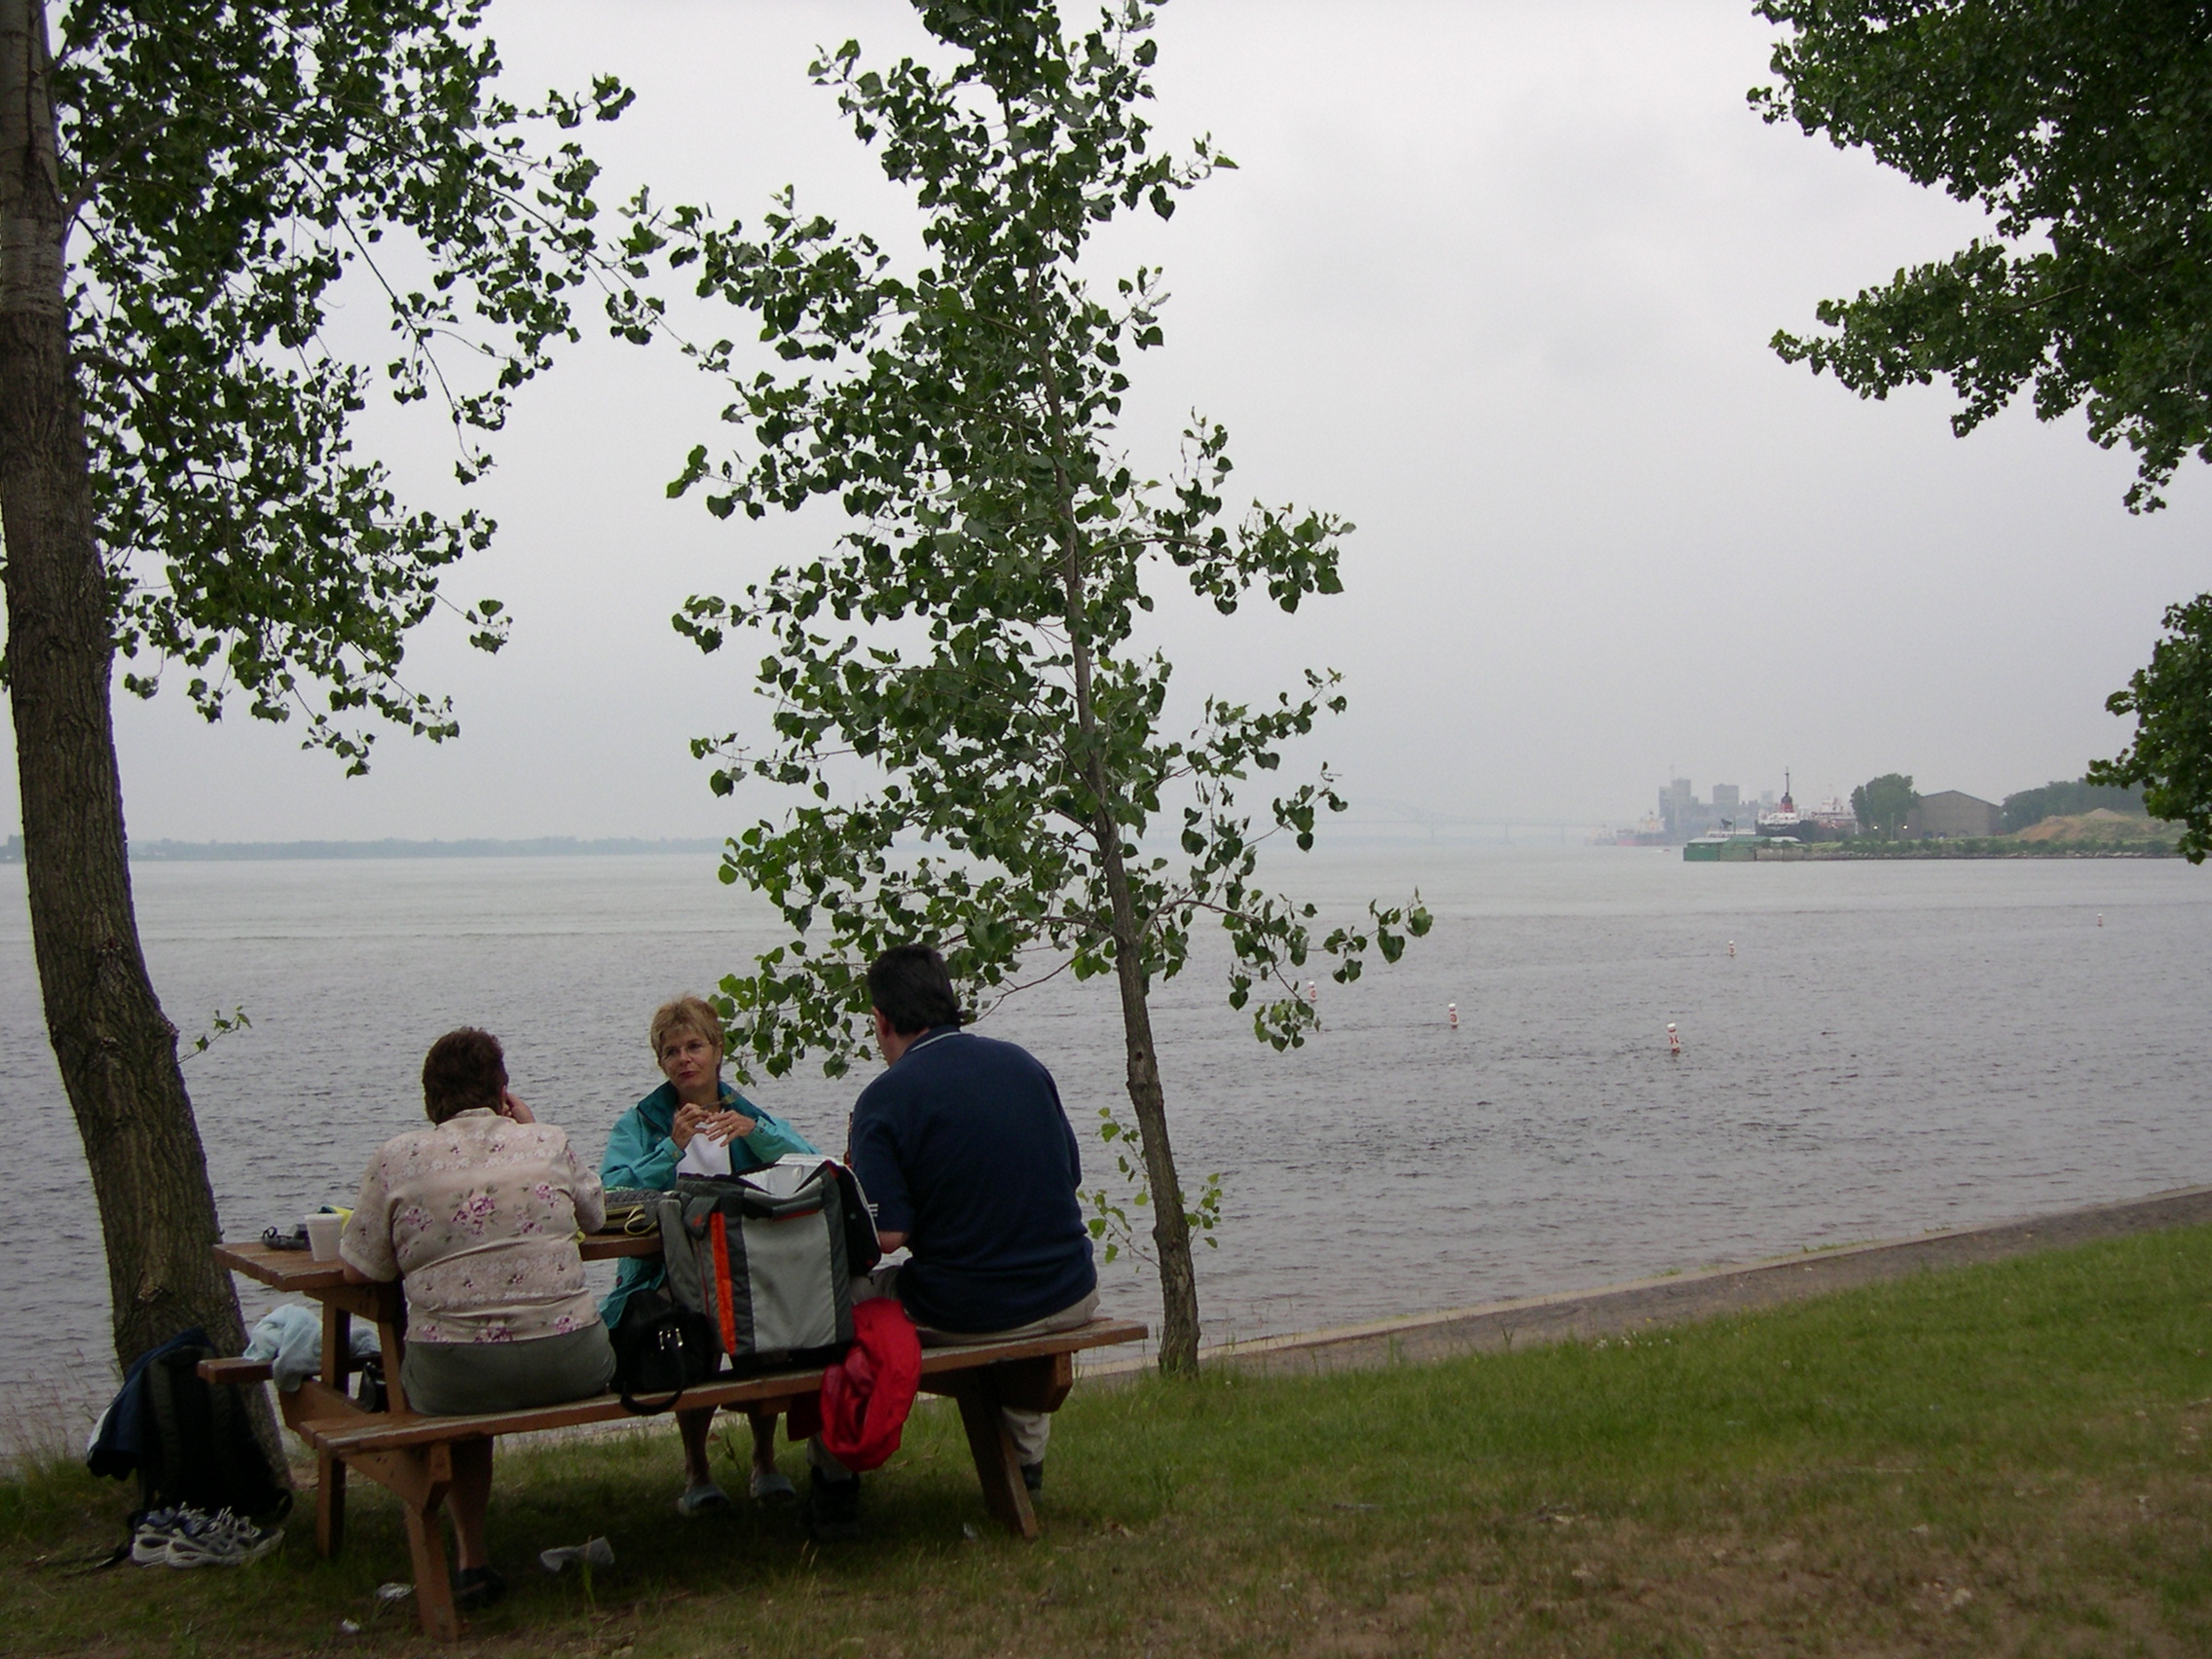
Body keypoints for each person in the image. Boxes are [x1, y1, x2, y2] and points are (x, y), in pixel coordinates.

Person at [811, 944, 1097, 1539]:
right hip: (1070, 1290)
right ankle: (1027, 1469)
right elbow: (1068, 1175)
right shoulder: (1023, 1065)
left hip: (970, 1308)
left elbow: (887, 1236)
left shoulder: (885, 1097)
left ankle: (834, 1484)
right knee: (1000, 1275)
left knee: (830, 1304)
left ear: (881, 1020)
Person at [339, 1028, 613, 1612]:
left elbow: (361, 1269)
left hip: (454, 1379)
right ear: (502, 1090)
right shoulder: (548, 1140)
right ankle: (470, 1558)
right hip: (574, 1362)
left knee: (456, 1376)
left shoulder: (396, 1158)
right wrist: (531, 1127)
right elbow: (595, 1215)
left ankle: (472, 1561)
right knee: (482, 1365)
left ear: (430, 1098)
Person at [600, 994, 819, 1514]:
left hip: (741, 1264)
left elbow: (812, 1165)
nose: (684, 1059)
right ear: (661, 1062)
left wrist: (757, 1135)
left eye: (694, 1046)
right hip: (662, 1272)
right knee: (686, 1327)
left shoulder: (743, 1112)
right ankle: (696, 1469)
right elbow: (608, 1195)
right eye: (672, 1051)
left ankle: (764, 1460)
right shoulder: (641, 1123)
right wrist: (669, 1149)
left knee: (764, 1323)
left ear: (718, 1050)